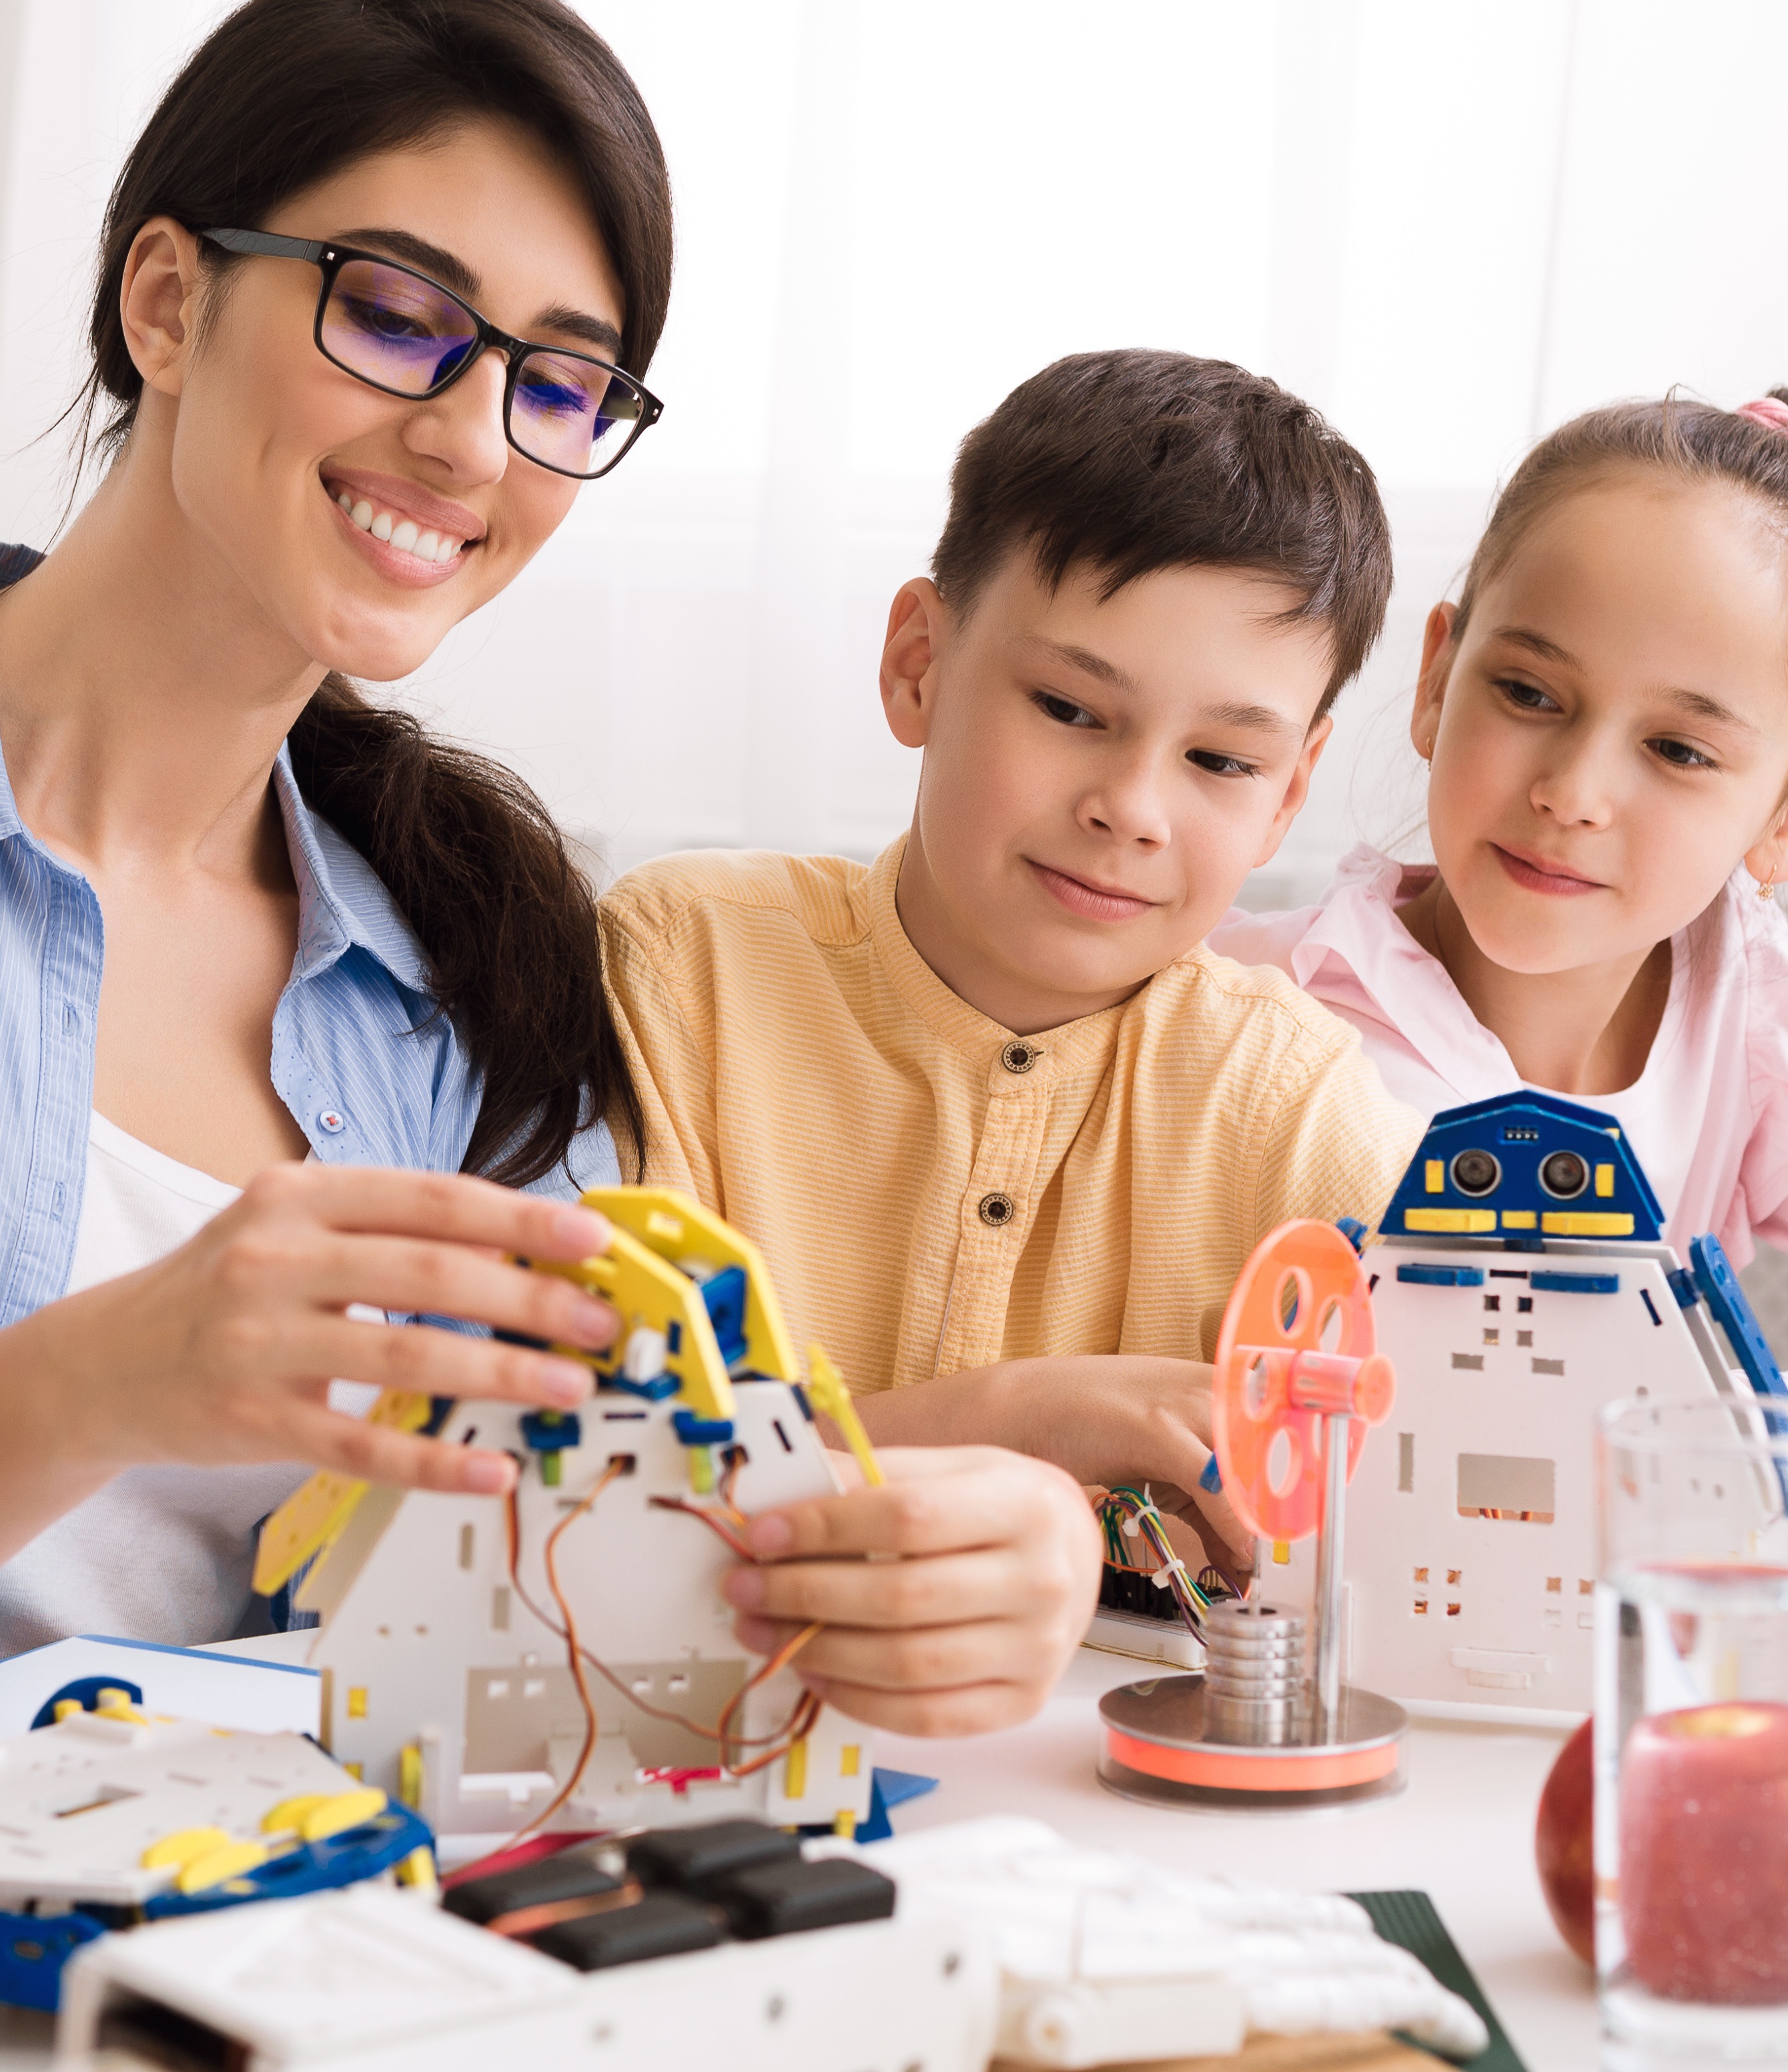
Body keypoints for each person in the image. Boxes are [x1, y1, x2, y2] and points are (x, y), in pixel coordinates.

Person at [0, 0, 1093, 1743]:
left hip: (306, 1944)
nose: (476, 444)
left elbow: (584, 1547)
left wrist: (983, 1536)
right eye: (400, 317)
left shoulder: (462, 946)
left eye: (558, 382)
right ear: (165, 302)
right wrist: (123, 1366)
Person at [1211, 390, 1788, 1639]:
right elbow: (1486, 1454)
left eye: (1681, 751)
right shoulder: (1257, 1006)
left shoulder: (1747, 1022)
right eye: (1528, 691)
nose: (1572, 791)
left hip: (1612, 1693)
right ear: (1436, 677)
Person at [602, 349, 1422, 1576]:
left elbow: (1450, 1515)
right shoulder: (684, 968)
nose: (1132, 807)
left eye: (1221, 763)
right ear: (919, 663)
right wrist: (1001, 1428)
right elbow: (576, 1502)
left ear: (1289, 793)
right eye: (1071, 709)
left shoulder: (1295, 1105)